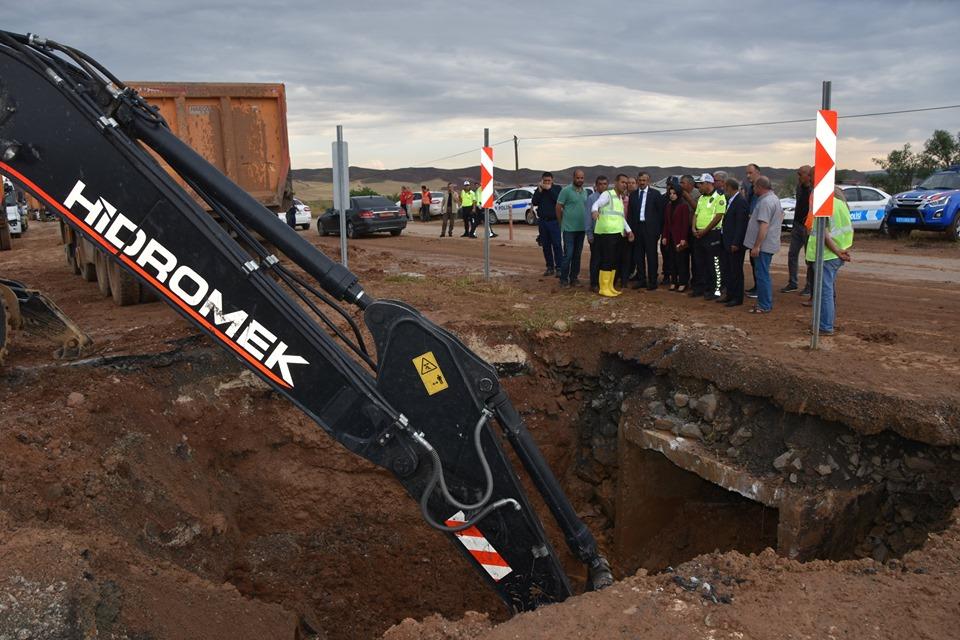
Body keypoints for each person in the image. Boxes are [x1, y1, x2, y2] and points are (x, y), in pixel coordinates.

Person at [807, 186, 854, 334]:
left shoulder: (823, 207)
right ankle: (824, 323)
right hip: (837, 253)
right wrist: (842, 251)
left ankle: (825, 326)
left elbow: (824, 234)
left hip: (826, 255)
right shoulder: (841, 205)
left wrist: (837, 251)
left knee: (824, 292)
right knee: (828, 291)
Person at [742, 175, 784, 314]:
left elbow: (764, 225)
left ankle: (764, 304)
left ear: (760, 187)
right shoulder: (774, 199)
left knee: (762, 274)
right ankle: (764, 302)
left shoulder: (766, 202)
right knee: (762, 273)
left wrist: (756, 246)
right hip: (767, 244)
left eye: (754, 186)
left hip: (764, 246)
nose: (753, 188)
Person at [590, 174, 634, 297]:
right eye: (622, 182)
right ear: (616, 183)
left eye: (626, 182)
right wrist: (594, 211)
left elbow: (621, 217)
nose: (624, 184)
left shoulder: (619, 198)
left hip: (617, 234)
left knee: (614, 261)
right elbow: (596, 204)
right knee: (606, 260)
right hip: (605, 233)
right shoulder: (607, 194)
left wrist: (629, 231)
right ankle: (603, 288)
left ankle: (610, 286)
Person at [627, 171, 665, 290]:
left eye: (644, 180)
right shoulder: (633, 195)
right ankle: (641, 280)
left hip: (651, 230)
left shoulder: (656, 194)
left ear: (648, 181)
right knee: (638, 256)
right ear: (637, 181)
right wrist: (630, 230)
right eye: (640, 180)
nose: (642, 183)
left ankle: (653, 281)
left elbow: (660, 214)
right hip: (637, 229)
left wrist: (658, 231)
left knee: (651, 256)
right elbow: (631, 215)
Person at [690, 173, 726, 299]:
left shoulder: (719, 197)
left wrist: (705, 230)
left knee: (714, 263)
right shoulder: (701, 198)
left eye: (701, 184)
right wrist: (693, 228)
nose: (699, 186)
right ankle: (700, 288)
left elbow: (719, 216)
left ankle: (715, 290)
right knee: (699, 262)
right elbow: (696, 214)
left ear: (708, 184)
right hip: (699, 234)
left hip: (712, 234)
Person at [782, 165, 813, 294]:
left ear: (808, 175)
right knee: (792, 254)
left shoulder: (814, 190)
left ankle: (809, 286)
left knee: (809, 258)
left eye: (800, 174)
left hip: (808, 227)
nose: (798, 177)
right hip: (797, 226)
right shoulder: (799, 188)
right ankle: (792, 282)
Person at [718, 178, 749, 307]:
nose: (724, 188)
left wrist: (736, 242)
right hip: (727, 241)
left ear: (729, 187)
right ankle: (730, 294)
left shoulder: (740, 201)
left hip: (734, 243)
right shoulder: (731, 200)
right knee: (728, 270)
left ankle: (737, 297)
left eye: (725, 186)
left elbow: (741, 225)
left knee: (736, 270)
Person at [556, 169, 588, 287]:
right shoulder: (566, 191)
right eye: (578, 178)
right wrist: (561, 223)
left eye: (582, 178)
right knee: (568, 254)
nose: (580, 180)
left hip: (581, 229)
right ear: (573, 178)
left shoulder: (584, 192)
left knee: (577, 255)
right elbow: (558, 207)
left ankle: (574, 278)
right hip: (569, 229)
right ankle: (563, 279)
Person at [531, 172, 563, 276]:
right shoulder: (540, 190)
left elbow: (558, 200)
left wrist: (549, 189)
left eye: (549, 181)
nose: (547, 183)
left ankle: (559, 268)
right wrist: (539, 191)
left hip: (554, 221)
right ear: (542, 180)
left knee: (557, 245)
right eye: (545, 181)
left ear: (552, 180)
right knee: (546, 246)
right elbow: (534, 202)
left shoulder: (557, 188)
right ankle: (550, 267)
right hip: (543, 222)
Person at [661, 184, 691, 292]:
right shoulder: (668, 206)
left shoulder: (683, 206)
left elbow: (685, 223)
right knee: (672, 260)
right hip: (670, 237)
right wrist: (664, 236)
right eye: (670, 193)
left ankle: (683, 282)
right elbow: (666, 223)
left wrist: (683, 238)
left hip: (680, 238)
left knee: (682, 261)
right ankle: (674, 281)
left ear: (678, 194)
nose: (672, 195)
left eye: (674, 193)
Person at [585, 175, 608, 292]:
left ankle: (602, 283)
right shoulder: (591, 198)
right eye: (600, 184)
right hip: (595, 233)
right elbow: (588, 217)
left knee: (605, 259)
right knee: (596, 259)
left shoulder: (610, 197)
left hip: (607, 234)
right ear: (596, 185)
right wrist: (589, 234)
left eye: (605, 184)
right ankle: (593, 283)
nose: (602, 186)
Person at [742, 163, 761, 298]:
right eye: (747, 173)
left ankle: (760, 289)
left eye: (750, 173)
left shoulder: (761, 189)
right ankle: (757, 286)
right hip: (751, 227)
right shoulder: (750, 188)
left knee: (759, 261)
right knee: (754, 261)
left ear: (757, 172)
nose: (748, 176)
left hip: (759, 228)